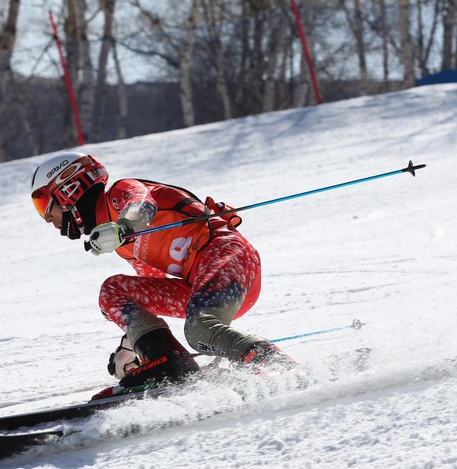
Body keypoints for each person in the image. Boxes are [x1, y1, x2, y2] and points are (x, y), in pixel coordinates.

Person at [29, 152, 294, 399]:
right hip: (199, 287)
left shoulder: (120, 193)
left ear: (68, 190)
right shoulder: (123, 246)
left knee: (199, 329)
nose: (46, 219)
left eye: (43, 204)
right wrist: (132, 345)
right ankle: (169, 362)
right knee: (113, 291)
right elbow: (153, 294)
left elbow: (142, 207)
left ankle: (276, 364)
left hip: (229, 257)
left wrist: (123, 227)